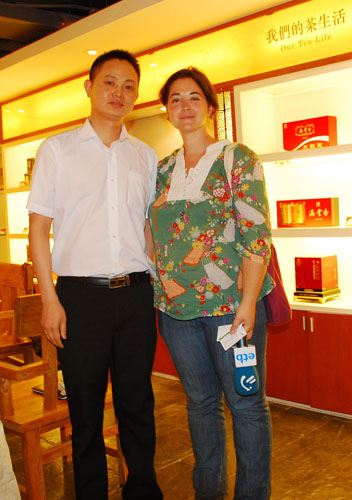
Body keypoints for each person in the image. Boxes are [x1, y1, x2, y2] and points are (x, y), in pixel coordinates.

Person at [27, 50, 163, 500]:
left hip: (136, 295)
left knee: (137, 404)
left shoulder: (145, 156)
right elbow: (39, 229)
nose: (118, 93)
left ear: (137, 95)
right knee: (85, 413)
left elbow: (146, 226)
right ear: (89, 87)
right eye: (109, 82)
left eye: (128, 86)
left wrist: (159, 279)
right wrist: (49, 300)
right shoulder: (57, 150)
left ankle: (142, 490)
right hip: (79, 299)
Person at [149, 67, 273, 500]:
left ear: (210, 107)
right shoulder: (162, 169)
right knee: (200, 404)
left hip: (231, 310)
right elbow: (152, 231)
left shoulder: (237, 158)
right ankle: (209, 493)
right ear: (167, 110)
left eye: (194, 97)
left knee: (245, 403)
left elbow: (256, 234)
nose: (184, 106)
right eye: (175, 99)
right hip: (176, 312)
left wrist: (248, 302)